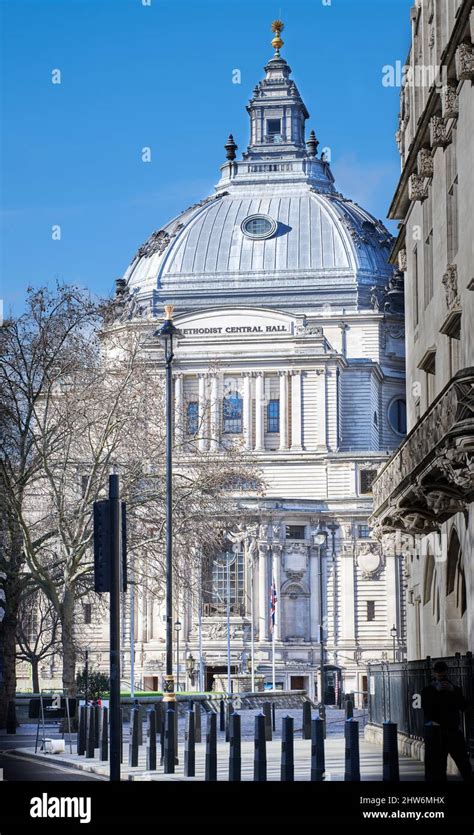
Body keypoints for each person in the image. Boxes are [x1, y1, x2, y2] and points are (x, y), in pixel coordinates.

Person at [421, 660, 472, 781]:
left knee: (464, 764)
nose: (441, 676)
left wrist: (453, 692)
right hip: (436, 734)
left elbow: (464, 706)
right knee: (438, 768)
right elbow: (428, 711)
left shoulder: (455, 689)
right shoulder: (428, 691)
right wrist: (436, 692)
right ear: (434, 674)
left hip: (453, 731)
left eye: (442, 673)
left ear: (446, 673)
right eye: (438, 673)